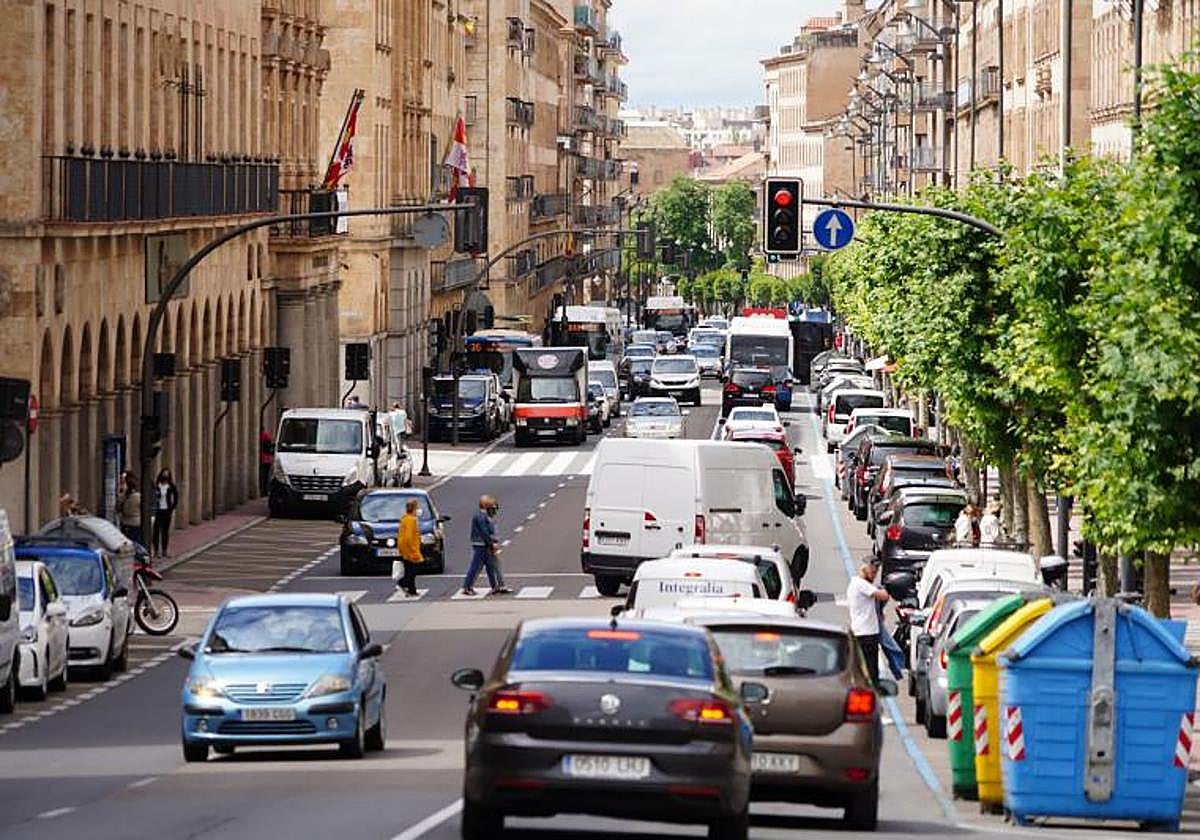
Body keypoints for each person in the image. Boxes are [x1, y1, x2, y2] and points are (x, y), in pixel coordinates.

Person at [847, 559, 889, 685]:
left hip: (864, 632)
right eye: (873, 572)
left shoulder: (858, 584)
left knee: (865, 669)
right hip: (866, 633)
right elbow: (883, 595)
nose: (874, 575)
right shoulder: (860, 584)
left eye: (876, 573)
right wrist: (886, 589)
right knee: (871, 672)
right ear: (865, 568)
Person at [461, 495, 511, 596]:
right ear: (484, 505)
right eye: (490, 505)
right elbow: (484, 532)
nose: (493, 508)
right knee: (476, 567)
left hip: (484, 544)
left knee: (490, 566)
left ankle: (495, 587)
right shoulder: (480, 516)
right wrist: (491, 543)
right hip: (481, 544)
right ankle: (467, 587)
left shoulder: (484, 515)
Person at [393, 498, 423, 597]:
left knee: (409, 569)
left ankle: (412, 590)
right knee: (413, 570)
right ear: (414, 508)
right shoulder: (411, 520)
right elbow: (408, 537)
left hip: (405, 550)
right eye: (417, 507)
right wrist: (413, 551)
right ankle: (402, 583)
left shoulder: (405, 519)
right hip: (411, 550)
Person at [151, 469, 179, 558]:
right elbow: (152, 496)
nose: (165, 476)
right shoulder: (157, 486)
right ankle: (156, 551)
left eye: (167, 474)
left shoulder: (171, 486)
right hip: (158, 510)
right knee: (156, 531)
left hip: (167, 510)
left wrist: (173, 507)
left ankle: (164, 551)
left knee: (165, 531)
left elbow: (176, 496)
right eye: (164, 474)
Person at [118, 472, 143, 545]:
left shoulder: (134, 497)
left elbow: (118, 508)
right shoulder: (126, 497)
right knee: (136, 542)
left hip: (128, 523)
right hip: (133, 523)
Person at [259, 427, 275, 496]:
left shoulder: (261, 435)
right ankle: (265, 491)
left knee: (263, 476)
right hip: (266, 459)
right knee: (265, 476)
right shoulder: (266, 435)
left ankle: (263, 490)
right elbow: (269, 446)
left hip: (263, 458)